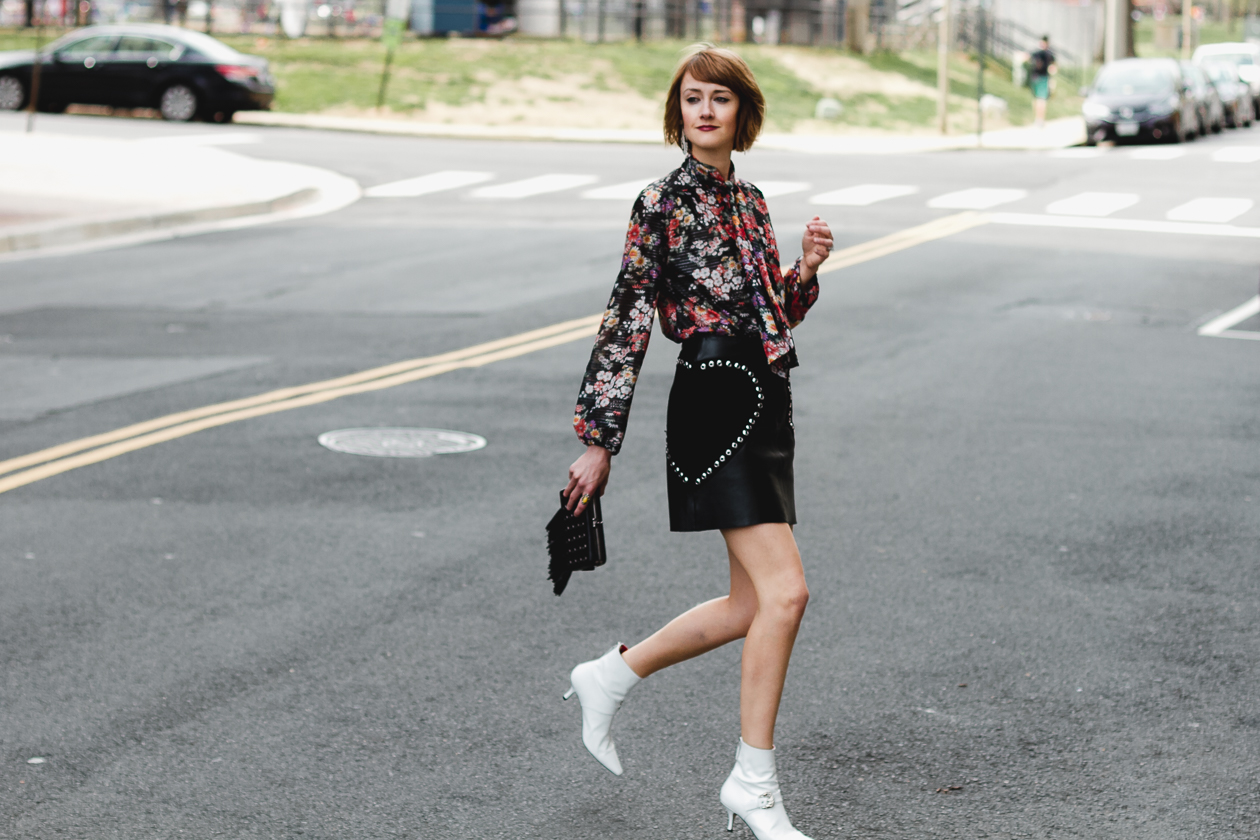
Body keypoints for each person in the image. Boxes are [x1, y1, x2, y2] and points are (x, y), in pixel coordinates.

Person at [561, 44, 833, 840]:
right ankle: (753, 783)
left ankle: (610, 674)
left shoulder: (749, 201)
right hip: (714, 404)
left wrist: (805, 272)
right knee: (787, 594)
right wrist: (599, 438)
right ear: (677, 113)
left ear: (742, 112)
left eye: (719, 98)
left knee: (752, 602)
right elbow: (628, 316)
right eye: (691, 99)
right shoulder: (660, 202)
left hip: (765, 397)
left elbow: (767, 314)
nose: (705, 111)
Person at [1029, 35, 1058, 129]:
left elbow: (1053, 67)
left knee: (1041, 99)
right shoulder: (1037, 53)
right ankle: (1038, 118)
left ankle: (1040, 119)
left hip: (1043, 78)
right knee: (1037, 99)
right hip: (1036, 78)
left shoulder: (1048, 55)